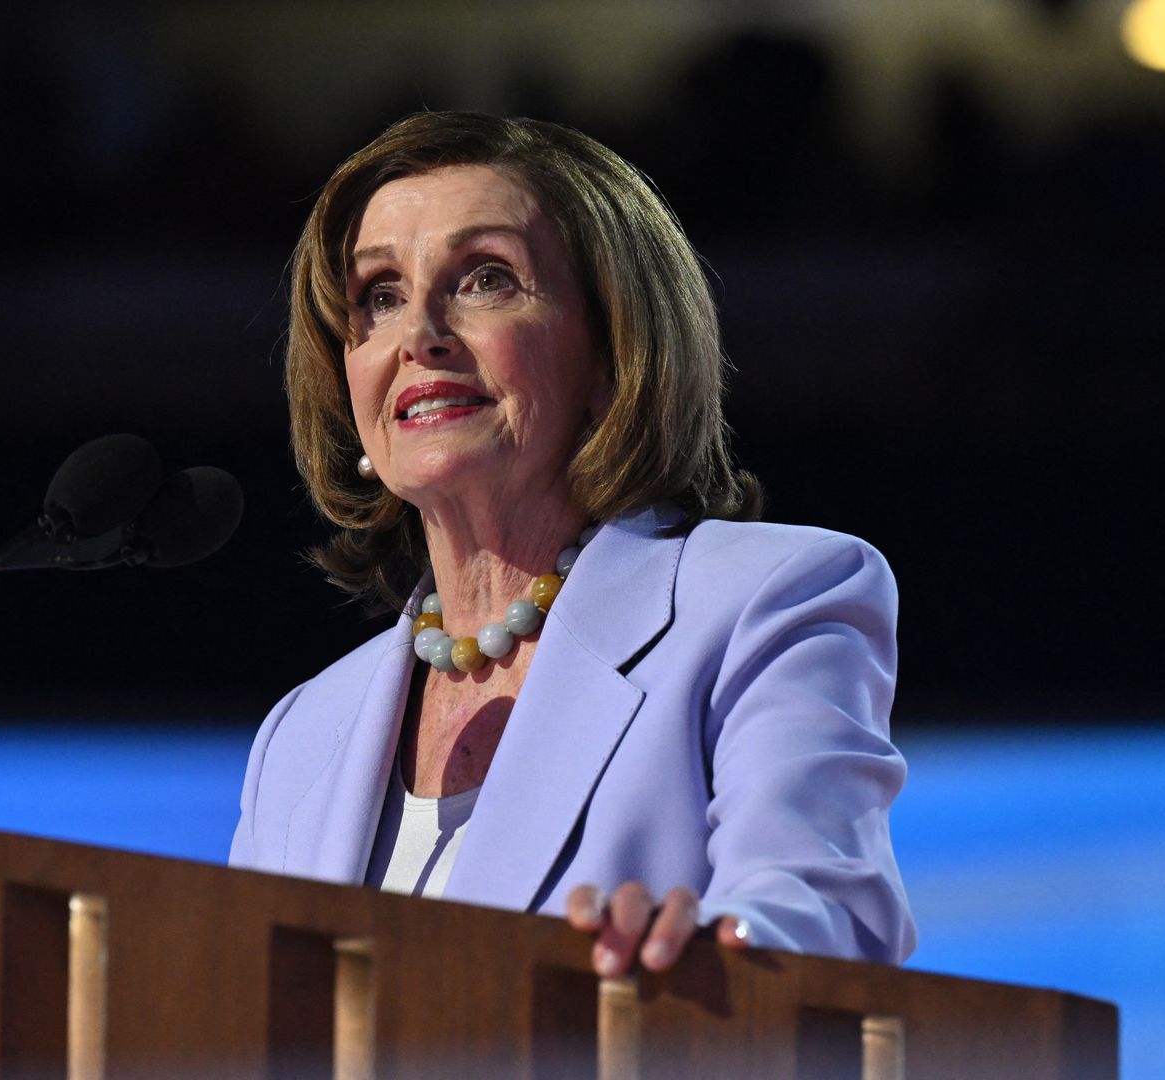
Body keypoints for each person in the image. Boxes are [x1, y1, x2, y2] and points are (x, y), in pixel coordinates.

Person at [228, 111, 915, 974]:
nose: (419, 335)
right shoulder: (303, 733)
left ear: (611, 350)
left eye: (486, 279)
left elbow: (825, 914)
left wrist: (707, 954)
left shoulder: (766, 603)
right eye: (381, 297)